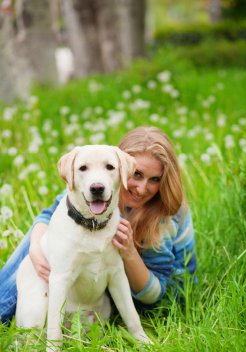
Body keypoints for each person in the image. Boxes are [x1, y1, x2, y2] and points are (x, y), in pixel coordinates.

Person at [0, 126, 196, 324]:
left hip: (158, 299)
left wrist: (129, 252)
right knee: (46, 237)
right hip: (98, 281)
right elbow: (49, 215)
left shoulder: (167, 213)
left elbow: (155, 294)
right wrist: (35, 247)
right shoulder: (99, 186)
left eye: (154, 180)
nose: (142, 188)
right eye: (137, 174)